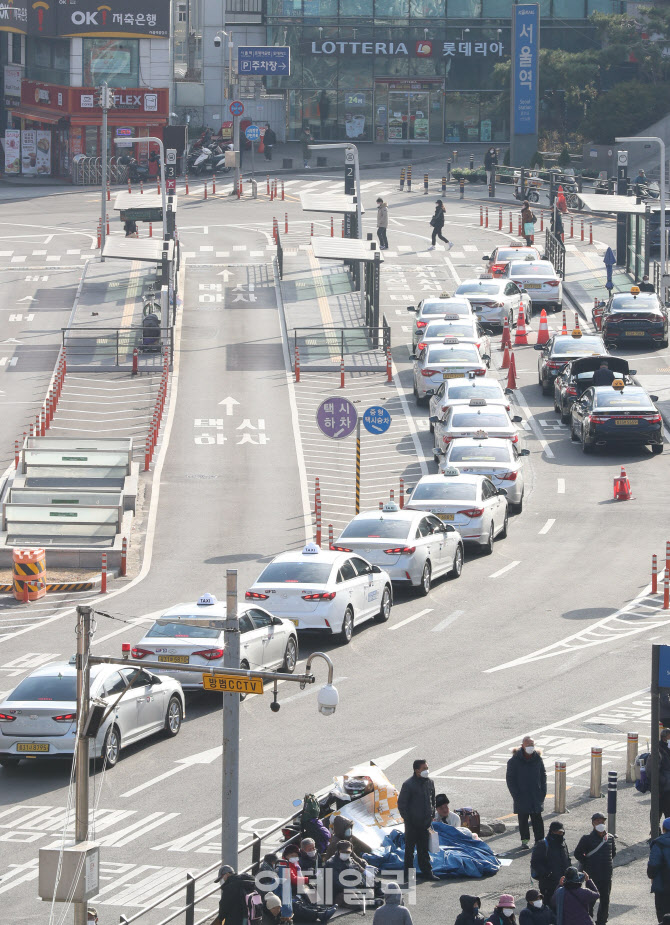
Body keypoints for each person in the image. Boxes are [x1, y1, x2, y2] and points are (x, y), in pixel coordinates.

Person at [397, 758, 437, 882]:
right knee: (409, 850)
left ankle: (427, 872)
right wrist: (409, 820)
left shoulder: (429, 782)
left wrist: (431, 815)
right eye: (424, 768)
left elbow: (432, 800)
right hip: (412, 824)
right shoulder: (408, 785)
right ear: (416, 770)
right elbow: (402, 804)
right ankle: (408, 875)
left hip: (425, 823)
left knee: (423, 850)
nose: (426, 770)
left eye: (427, 768)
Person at [574, 813, 615, 925]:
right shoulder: (586, 839)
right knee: (591, 900)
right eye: (597, 821)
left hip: (606, 875)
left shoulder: (610, 838)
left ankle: (602, 921)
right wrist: (587, 862)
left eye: (602, 822)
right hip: (592, 875)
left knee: (605, 900)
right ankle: (588, 919)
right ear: (593, 823)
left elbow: (613, 853)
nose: (600, 824)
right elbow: (577, 853)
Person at [506, 737, 547, 849]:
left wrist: (543, 792)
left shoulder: (537, 758)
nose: (531, 747)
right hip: (521, 795)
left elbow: (543, 775)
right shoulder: (514, 761)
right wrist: (516, 795)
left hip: (535, 795)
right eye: (528, 744)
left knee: (537, 818)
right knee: (523, 819)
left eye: (532, 744)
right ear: (522, 745)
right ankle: (525, 841)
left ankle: (539, 840)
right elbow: (510, 779)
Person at [531, 822, 571, 912]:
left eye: (561, 832)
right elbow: (535, 863)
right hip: (548, 885)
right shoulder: (543, 844)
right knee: (549, 910)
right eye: (557, 832)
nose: (559, 834)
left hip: (563, 884)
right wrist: (547, 874)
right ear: (551, 832)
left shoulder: (563, 843)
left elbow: (567, 859)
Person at [324, 839, 367, 906]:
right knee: (354, 899)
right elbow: (336, 883)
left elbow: (358, 874)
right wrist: (352, 888)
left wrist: (362, 883)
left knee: (369, 891)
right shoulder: (331, 863)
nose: (346, 854)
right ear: (338, 851)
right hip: (337, 892)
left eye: (348, 852)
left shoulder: (351, 861)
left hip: (352, 888)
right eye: (344, 852)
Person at [648, 817, 670, 921]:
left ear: (663, 829)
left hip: (662, 886)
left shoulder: (658, 843)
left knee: (662, 916)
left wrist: (651, 875)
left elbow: (653, 865)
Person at [660, 729, 670, 822]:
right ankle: (656, 829)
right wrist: (664, 781)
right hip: (663, 786)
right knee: (660, 809)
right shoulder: (660, 750)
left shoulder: (667, 748)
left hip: (666, 785)